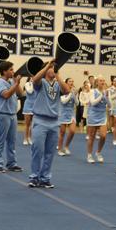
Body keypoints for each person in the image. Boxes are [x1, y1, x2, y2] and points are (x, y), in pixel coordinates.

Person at [28, 60, 70, 188]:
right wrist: (46, 66)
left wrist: (58, 75)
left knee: (50, 152)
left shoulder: (57, 84)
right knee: (38, 150)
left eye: (54, 68)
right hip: (40, 120)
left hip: (54, 121)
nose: (53, 69)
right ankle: (34, 177)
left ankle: (45, 177)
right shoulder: (41, 83)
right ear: (46, 70)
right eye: (51, 68)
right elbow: (34, 80)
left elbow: (67, 90)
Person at [0, 61, 23, 173]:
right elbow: (6, 95)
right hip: (2, 114)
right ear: (4, 71)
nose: (13, 71)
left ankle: (11, 163)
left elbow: (21, 93)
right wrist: (15, 83)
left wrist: (16, 82)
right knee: (0, 140)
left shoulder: (11, 81)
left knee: (12, 141)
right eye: (11, 69)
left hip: (12, 114)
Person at [86, 76, 110, 163]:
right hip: (93, 115)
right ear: (97, 82)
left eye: (103, 80)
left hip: (102, 116)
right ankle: (89, 155)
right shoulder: (92, 91)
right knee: (91, 137)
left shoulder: (106, 92)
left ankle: (98, 152)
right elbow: (93, 103)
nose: (102, 82)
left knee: (103, 136)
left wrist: (107, 96)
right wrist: (101, 95)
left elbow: (109, 104)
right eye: (101, 80)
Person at [57, 78, 78, 156]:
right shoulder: (62, 90)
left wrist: (75, 95)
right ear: (66, 83)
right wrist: (71, 93)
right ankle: (59, 149)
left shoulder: (74, 91)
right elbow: (64, 101)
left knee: (72, 131)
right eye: (70, 81)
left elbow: (77, 103)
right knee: (62, 133)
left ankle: (66, 147)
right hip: (63, 113)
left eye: (72, 81)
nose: (71, 82)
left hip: (71, 114)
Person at [22, 77, 36, 145]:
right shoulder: (27, 84)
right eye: (32, 78)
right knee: (27, 124)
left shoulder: (37, 85)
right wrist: (33, 83)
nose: (33, 79)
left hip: (35, 106)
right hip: (28, 106)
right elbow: (30, 91)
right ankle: (25, 138)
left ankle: (30, 138)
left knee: (33, 124)